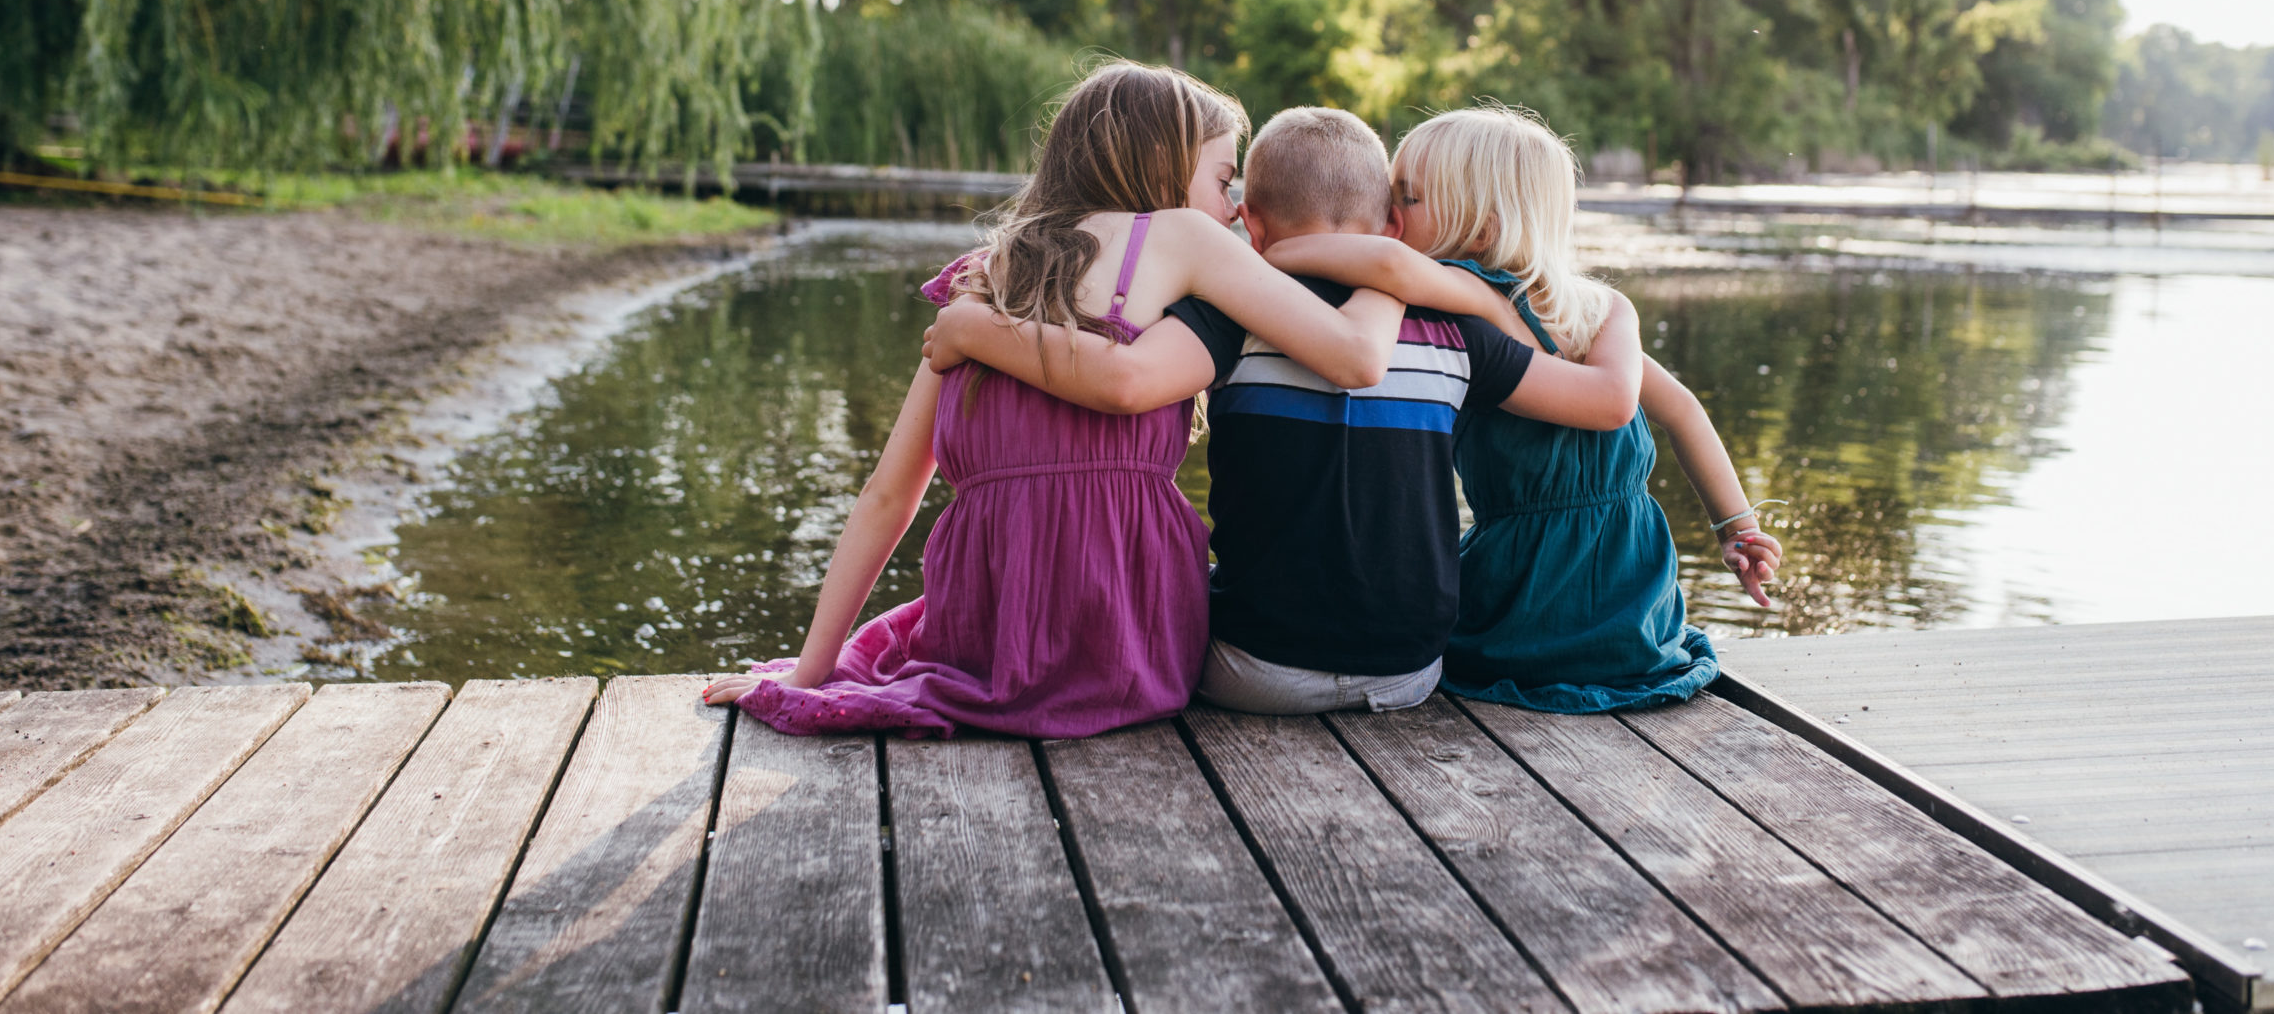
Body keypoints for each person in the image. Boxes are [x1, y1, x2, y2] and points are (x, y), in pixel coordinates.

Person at [701, 63, 1404, 738]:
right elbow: (1351, 354)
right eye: (1223, 179)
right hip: (1131, 636)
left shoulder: (979, 281)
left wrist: (810, 669)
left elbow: (890, 493)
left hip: (984, 636)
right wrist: (1402, 266)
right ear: (1159, 164)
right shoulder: (1181, 236)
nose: (1232, 207)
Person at [924, 105, 1642, 716]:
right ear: (1392, 225)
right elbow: (1598, 401)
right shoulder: (1459, 333)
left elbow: (1125, 378)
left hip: (1253, 671)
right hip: (1410, 670)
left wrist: (979, 327)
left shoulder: (1226, 316)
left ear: (1254, 228)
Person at [1264, 104, 1782, 713]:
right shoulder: (1590, 310)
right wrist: (1734, 524)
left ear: (1481, 227)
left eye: (1406, 197)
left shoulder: (1494, 297)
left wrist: (1261, 260)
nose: (1388, 216)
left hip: (1540, 593)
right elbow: (1685, 413)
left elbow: (1645, 407)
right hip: (1623, 592)